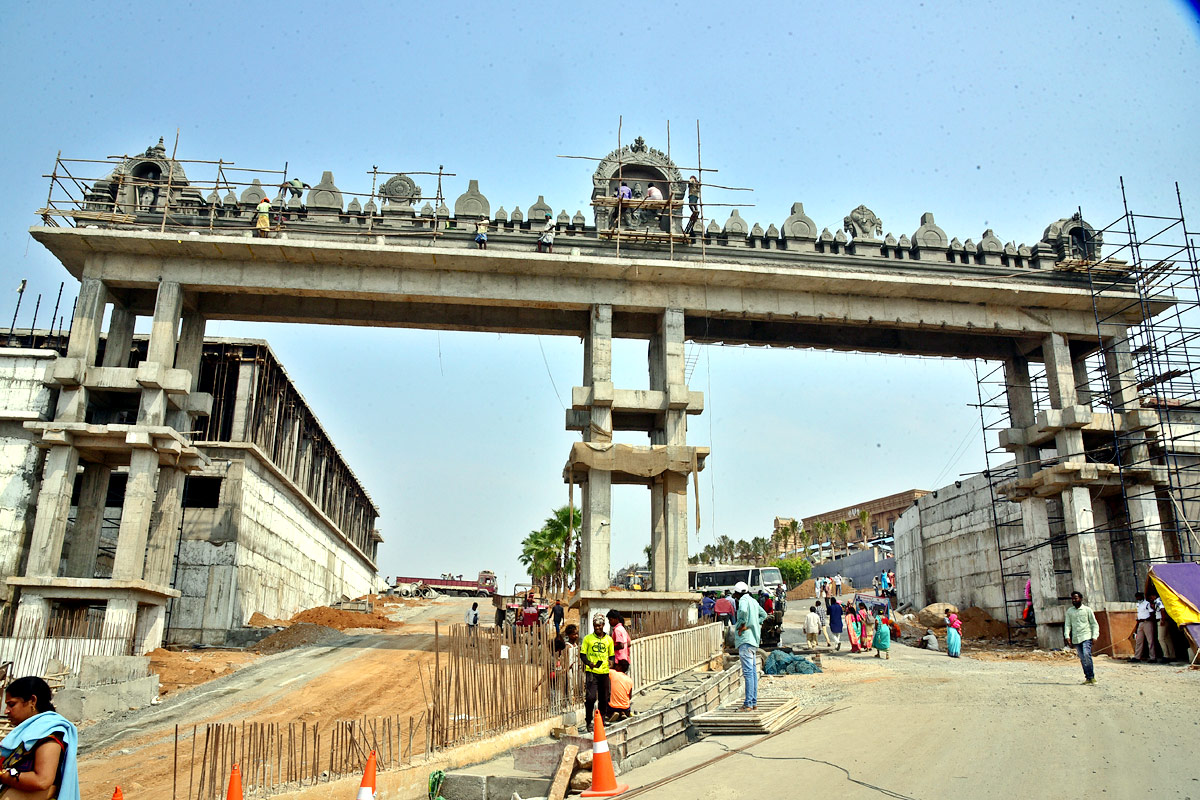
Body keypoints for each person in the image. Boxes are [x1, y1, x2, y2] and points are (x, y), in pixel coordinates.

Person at [0, 676, 80, 800]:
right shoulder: (30, 732)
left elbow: (42, 780)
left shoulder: (48, 732)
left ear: (32, 701)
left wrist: (3, 775)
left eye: (11, 704)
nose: (6, 711)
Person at [734, 581, 767, 711]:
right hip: (753, 640)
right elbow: (763, 614)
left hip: (745, 640)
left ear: (737, 593)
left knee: (748, 673)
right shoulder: (753, 601)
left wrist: (742, 624)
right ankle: (753, 702)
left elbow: (742, 611)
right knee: (752, 672)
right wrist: (754, 624)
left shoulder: (743, 600)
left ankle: (748, 703)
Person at [580, 613, 614, 731]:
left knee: (604, 698)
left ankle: (601, 720)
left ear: (603, 625)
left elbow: (612, 656)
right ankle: (589, 721)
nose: (597, 628)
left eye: (599, 626)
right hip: (591, 672)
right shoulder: (587, 639)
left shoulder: (609, 640)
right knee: (590, 697)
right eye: (595, 626)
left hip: (604, 672)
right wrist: (589, 663)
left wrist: (611, 662)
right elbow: (582, 655)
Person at [1064, 590, 1099, 684]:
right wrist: (1067, 636)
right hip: (1076, 638)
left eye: (1076, 598)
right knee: (1083, 659)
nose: (1074, 600)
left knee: (1087, 655)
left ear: (1080, 599)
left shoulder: (1087, 610)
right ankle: (1088, 678)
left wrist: (1095, 636)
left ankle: (1092, 677)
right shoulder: (1069, 611)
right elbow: (1067, 625)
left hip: (1086, 636)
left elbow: (1094, 624)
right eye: (1072, 599)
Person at [1132, 591, 1159, 663]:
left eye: (1139, 597)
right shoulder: (1139, 605)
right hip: (1140, 623)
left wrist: (1147, 620)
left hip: (1147, 622)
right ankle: (1137, 657)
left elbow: (1152, 614)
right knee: (1139, 640)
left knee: (1150, 640)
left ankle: (1153, 657)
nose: (1138, 598)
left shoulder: (1147, 604)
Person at [1152, 589, 1175, 661]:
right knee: (1167, 639)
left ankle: (1166, 655)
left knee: (1161, 638)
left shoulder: (1158, 601)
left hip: (1161, 620)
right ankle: (1172, 655)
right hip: (1166, 620)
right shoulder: (1162, 599)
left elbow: (1162, 609)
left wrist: (1162, 619)